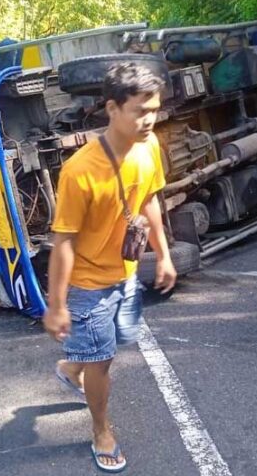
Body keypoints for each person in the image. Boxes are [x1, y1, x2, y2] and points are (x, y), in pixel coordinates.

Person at [42, 63, 177, 473]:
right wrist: (57, 304)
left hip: (127, 273)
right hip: (87, 285)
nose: (149, 118)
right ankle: (102, 430)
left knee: (119, 340)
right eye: (140, 110)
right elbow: (63, 241)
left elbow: (150, 200)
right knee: (102, 361)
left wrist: (165, 254)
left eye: (154, 108)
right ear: (112, 108)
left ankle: (70, 365)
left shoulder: (149, 145)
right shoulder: (80, 171)